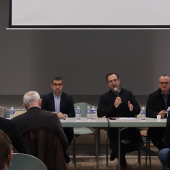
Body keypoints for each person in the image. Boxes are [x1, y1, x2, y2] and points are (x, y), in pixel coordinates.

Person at [97, 72, 143, 168]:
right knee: (115, 145)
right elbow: (100, 113)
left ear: (119, 81)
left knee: (139, 144)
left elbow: (137, 109)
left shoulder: (128, 93)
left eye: (115, 80)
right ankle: (122, 162)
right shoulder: (104, 97)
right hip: (114, 128)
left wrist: (132, 108)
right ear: (108, 84)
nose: (113, 83)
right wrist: (114, 106)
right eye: (111, 81)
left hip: (129, 127)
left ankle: (116, 152)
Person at [12, 91, 69, 164]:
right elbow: (63, 140)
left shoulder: (16, 121)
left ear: (25, 106)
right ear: (40, 102)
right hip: (51, 162)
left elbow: (14, 147)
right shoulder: (53, 118)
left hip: (27, 163)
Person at [41, 77, 75, 148]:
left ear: (62, 85)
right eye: (55, 84)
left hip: (65, 126)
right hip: (50, 125)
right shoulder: (46, 98)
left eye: (59, 84)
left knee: (69, 134)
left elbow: (72, 113)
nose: (57, 87)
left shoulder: (68, 97)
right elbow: (42, 112)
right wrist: (51, 114)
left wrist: (64, 115)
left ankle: (63, 151)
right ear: (51, 85)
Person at [146, 75, 170, 150]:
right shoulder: (153, 96)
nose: (164, 85)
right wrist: (157, 114)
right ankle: (166, 153)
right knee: (155, 137)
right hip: (156, 128)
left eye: (166, 83)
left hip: (169, 126)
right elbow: (148, 111)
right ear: (159, 84)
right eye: (162, 83)